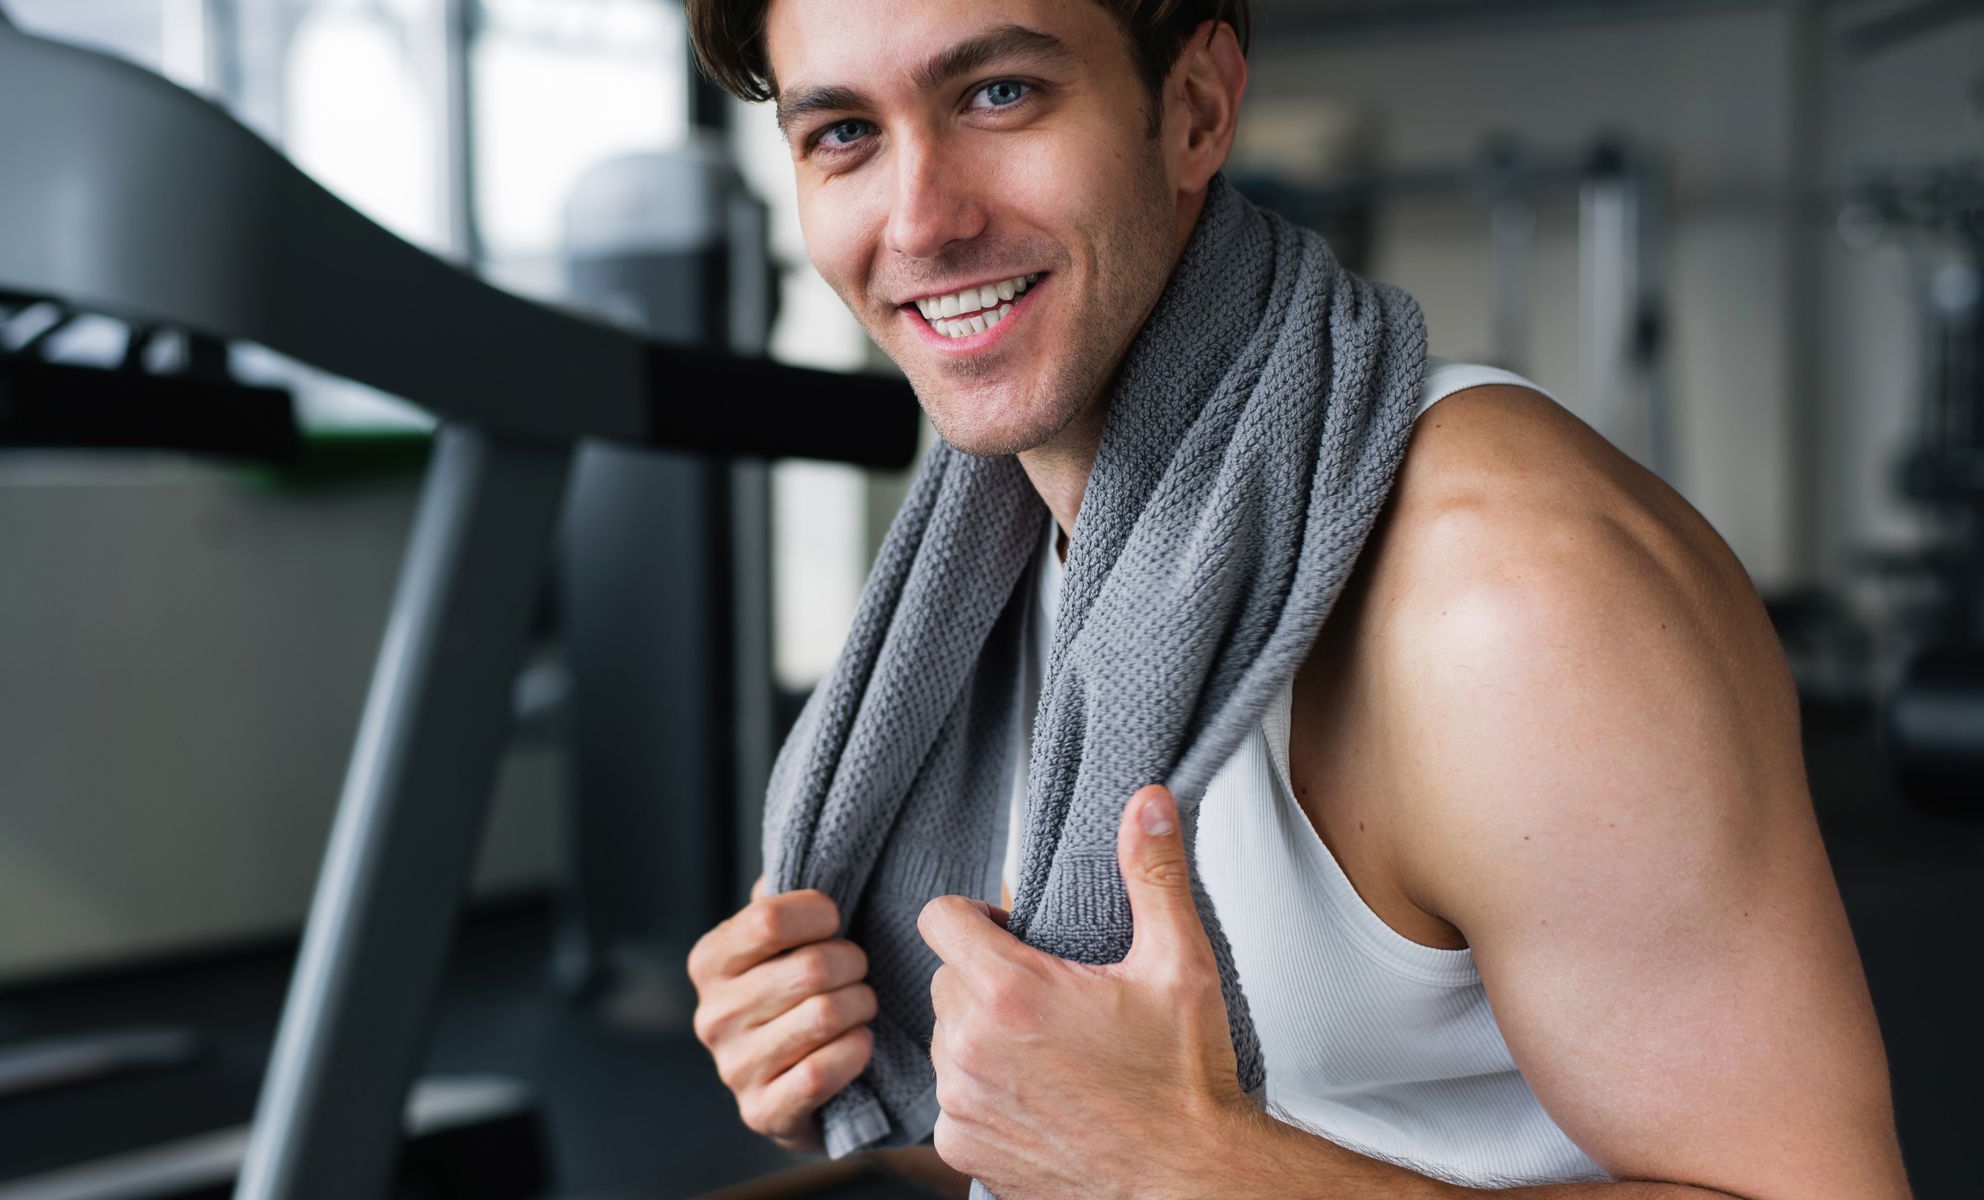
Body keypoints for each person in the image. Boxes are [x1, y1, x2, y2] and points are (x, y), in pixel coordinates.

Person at [680, 1, 1912, 1196]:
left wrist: (1190, 1168)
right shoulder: (981, 588)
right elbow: (1059, 1152)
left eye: (999, 93)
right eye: (842, 132)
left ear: (1196, 109)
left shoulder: (1508, 593)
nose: (922, 218)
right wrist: (849, 1059)